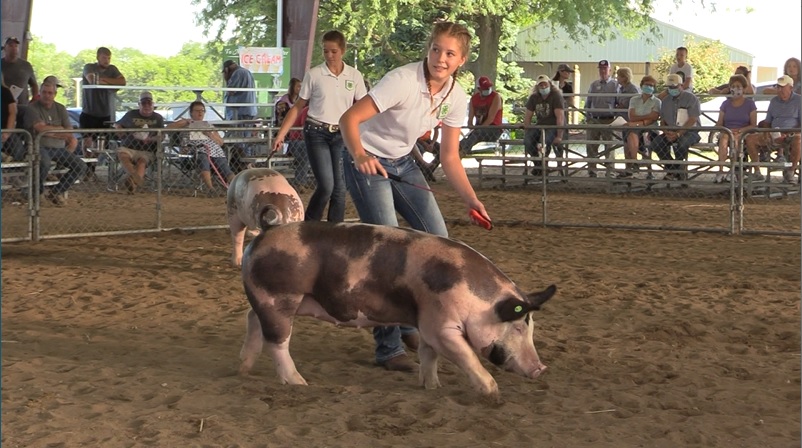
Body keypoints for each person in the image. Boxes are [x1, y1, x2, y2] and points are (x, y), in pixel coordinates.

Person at [338, 22, 490, 372]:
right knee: (388, 251)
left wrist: (471, 200)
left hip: (403, 163)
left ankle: (411, 325)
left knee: (438, 241)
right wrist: (360, 155)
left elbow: (450, 157)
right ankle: (388, 346)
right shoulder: (402, 80)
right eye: (436, 49)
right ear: (428, 48)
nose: (440, 58)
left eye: (450, 53)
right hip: (367, 157)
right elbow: (350, 119)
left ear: (462, 60)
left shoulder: (456, 95)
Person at [271, 30, 367, 223]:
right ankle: (309, 226)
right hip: (316, 132)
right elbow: (298, 106)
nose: (329, 56)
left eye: (334, 51)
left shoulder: (355, 76)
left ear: (343, 50)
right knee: (326, 186)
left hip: (342, 134)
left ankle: (335, 233)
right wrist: (281, 134)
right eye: (326, 51)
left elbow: (363, 106)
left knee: (340, 188)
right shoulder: (314, 74)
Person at [28, 79, 87, 206]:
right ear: (40, 93)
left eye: (50, 93)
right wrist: (59, 129)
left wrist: (49, 130)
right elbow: (39, 129)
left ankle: (55, 192)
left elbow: (69, 131)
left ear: (55, 94)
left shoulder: (60, 108)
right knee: (44, 163)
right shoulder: (32, 108)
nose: (47, 95)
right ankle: (37, 194)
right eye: (44, 92)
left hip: (59, 148)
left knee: (80, 166)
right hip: (39, 146)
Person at [169, 100, 235, 194]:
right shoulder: (185, 124)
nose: (200, 112)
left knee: (224, 166)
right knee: (202, 157)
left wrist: (210, 134)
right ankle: (211, 189)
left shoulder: (208, 125)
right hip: (194, 152)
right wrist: (184, 122)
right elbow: (168, 128)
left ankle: (235, 188)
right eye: (197, 110)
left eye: (202, 110)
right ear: (191, 112)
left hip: (214, 151)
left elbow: (221, 142)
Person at [745, 75, 801, 183]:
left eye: (782, 87)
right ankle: (757, 172)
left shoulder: (799, 101)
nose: (779, 90)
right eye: (778, 87)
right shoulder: (774, 101)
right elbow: (767, 121)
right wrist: (766, 132)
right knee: (750, 139)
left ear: (790, 88)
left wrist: (789, 133)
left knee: (799, 140)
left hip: (792, 135)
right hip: (774, 133)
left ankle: (791, 171)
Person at [650, 73, 701, 181]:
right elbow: (662, 120)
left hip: (690, 131)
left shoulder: (691, 98)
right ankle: (675, 170)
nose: (672, 89)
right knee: (656, 144)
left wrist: (678, 134)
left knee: (681, 143)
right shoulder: (665, 101)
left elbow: (693, 119)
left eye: (674, 87)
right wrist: (666, 132)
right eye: (670, 87)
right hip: (670, 131)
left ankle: (674, 171)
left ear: (681, 85)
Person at [114, 91, 167, 193]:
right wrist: (119, 128)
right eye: (143, 103)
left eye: (149, 103)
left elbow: (162, 136)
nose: (146, 106)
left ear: (153, 105)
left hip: (146, 149)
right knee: (123, 155)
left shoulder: (158, 118)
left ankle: (133, 183)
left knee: (142, 162)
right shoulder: (130, 114)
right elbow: (117, 124)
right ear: (139, 105)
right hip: (128, 146)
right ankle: (136, 179)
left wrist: (150, 139)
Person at [80, 47, 126, 153]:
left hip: (105, 113)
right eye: (104, 58)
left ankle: (95, 166)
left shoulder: (112, 69)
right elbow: (92, 80)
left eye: (109, 58)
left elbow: (122, 81)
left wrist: (103, 80)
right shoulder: (89, 67)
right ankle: (87, 166)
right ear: (98, 57)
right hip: (89, 112)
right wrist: (113, 82)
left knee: (101, 144)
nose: (107, 61)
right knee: (87, 142)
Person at [713, 74, 757, 183]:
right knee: (724, 138)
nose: (735, 89)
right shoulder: (725, 104)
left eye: (738, 86)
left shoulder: (750, 104)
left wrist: (741, 130)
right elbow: (719, 123)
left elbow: (753, 124)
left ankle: (734, 170)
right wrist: (724, 129)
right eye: (733, 86)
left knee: (737, 139)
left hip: (743, 132)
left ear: (744, 88)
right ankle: (721, 170)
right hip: (727, 131)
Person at [618, 75, 661, 178]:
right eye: (647, 85)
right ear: (642, 85)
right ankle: (633, 163)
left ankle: (634, 166)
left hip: (651, 129)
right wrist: (646, 118)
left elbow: (654, 118)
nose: (649, 87)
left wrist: (638, 122)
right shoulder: (634, 99)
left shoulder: (657, 102)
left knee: (631, 131)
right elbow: (632, 116)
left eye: (652, 85)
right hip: (635, 128)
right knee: (630, 132)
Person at [523, 75, 565, 176]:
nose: (543, 87)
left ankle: (542, 165)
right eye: (540, 85)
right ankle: (539, 165)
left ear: (549, 84)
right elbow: (528, 115)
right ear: (537, 87)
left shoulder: (556, 96)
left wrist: (559, 135)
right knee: (528, 141)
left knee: (544, 142)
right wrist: (527, 130)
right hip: (540, 125)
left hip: (553, 126)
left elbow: (560, 117)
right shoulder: (534, 97)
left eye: (545, 84)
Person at [584, 59, 619, 177]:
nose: (603, 71)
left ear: (609, 69)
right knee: (591, 145)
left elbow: (619, 102)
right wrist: (587, 116)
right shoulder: (594, 85)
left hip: (609, 119)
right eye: (601, 69)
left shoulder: (615, 85)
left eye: (605, 68)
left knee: (609, 146)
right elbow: (588, 102)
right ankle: (592, 170)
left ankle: (610, 171)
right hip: (594, 119)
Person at [458, 75, 503, 158]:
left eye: (488, 87)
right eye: (484, 88)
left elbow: (491, 118)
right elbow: (470, 118)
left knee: (475, 134)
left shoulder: (496, 97)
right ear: (479, 89)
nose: (487, 89)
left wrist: (478, 128)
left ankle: (462, 151)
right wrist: (471, 125)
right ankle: (457, 149)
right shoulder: (474, 99)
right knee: (471, 137)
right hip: (478, 130)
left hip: (493, 129)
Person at [1, 36, 38, 106]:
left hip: (22, 107)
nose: (14, 48)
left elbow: (34, 84)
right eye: (10, 45)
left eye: (16, 46)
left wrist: (34, 99)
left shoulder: (26, 65)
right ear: (4, 48)